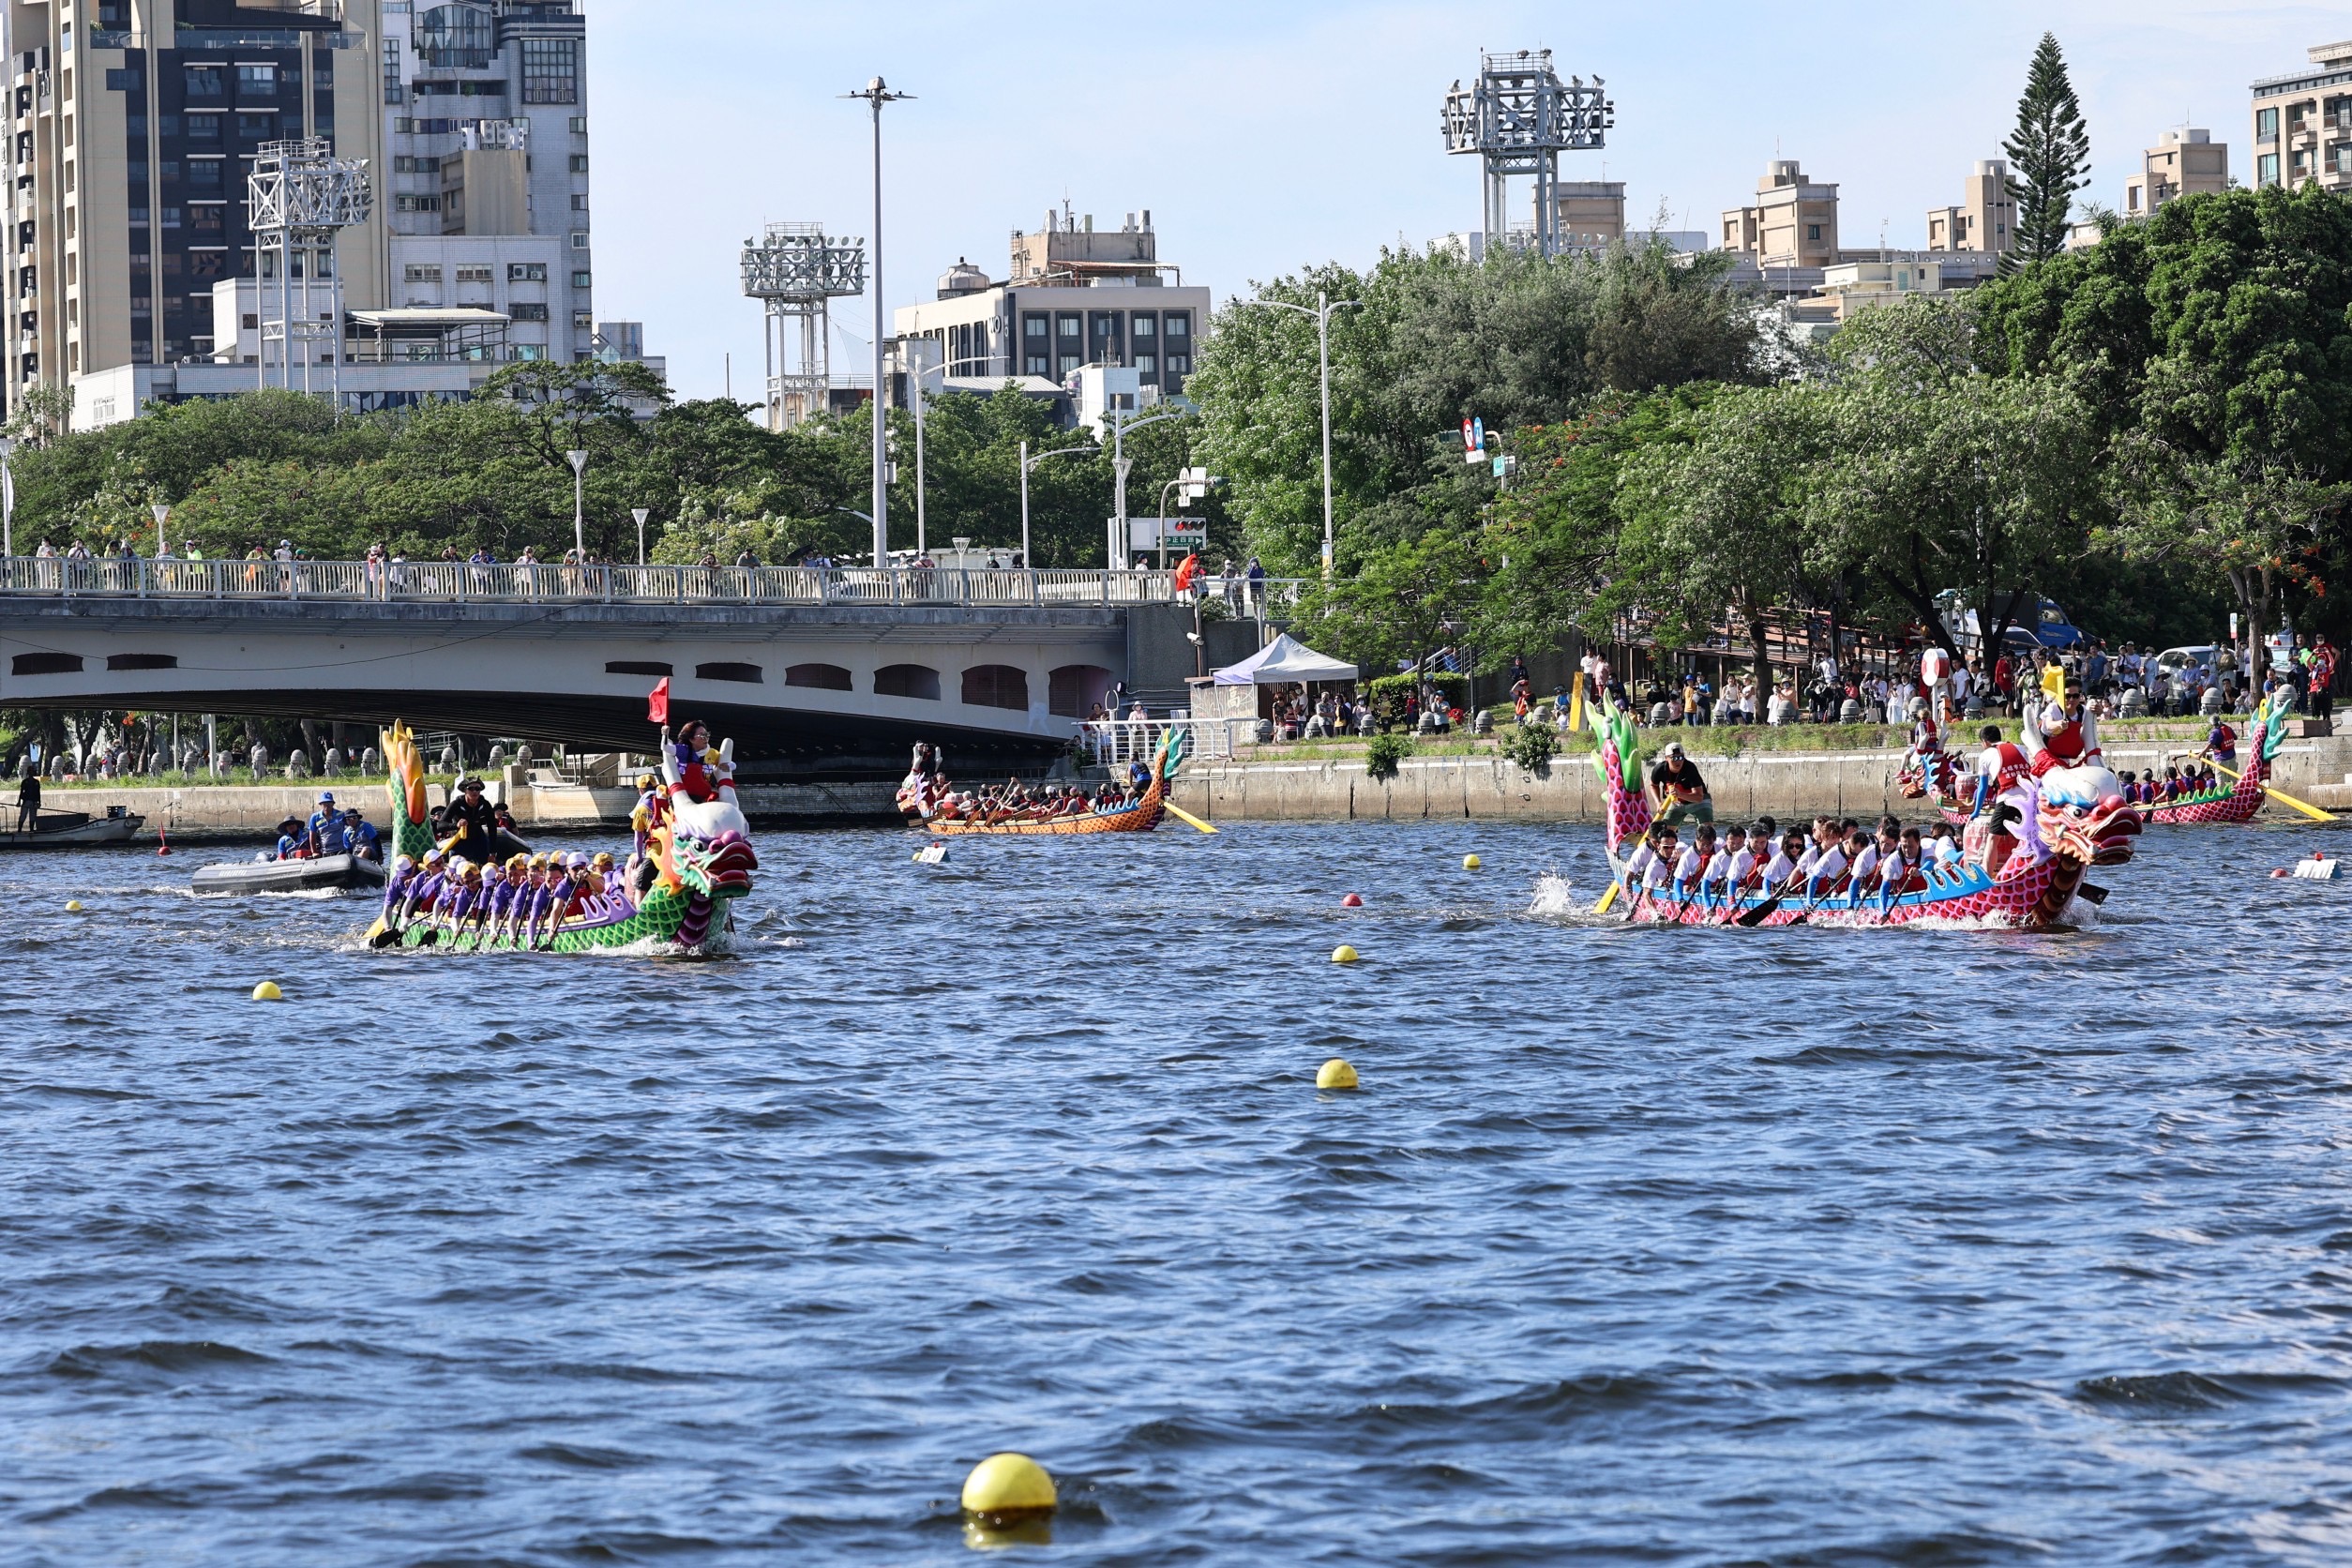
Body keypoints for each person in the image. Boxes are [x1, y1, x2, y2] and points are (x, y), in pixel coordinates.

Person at [1648, 741, 1711, 824]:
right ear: (1666, 758)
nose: (1678, 761)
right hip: (1677, 802)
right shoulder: (1659, 769)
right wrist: (1658, 802)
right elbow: (1653, 785)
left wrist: (1680, 794)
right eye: (1674, 758)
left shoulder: (1690, 768)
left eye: (1681, 757)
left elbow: (1699, 797)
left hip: (1699, 801)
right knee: (1666, 832)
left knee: (1706, 831)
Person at [443, 776, 503, 864]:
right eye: (471, 789)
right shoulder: (456, 804)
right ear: (465, 791)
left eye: (478, 789)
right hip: (459, 842)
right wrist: (456, 825)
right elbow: (440, 824)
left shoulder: (485, 804)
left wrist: (492, 852)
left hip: (478, 840)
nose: (475, 791)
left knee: (484, 866)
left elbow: (492, 828)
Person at [14, 766, 38, 834]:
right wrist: (19, 801)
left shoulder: (36, 782)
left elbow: (38, 793)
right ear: (28, 772)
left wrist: (39, 802)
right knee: (23, 815)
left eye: (32, 771)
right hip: (26, 801)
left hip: (34, 801)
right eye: (30, 771)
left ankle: (31, 830)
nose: (31, 773)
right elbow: (21, 792)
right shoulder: (25, 782)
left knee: (33, 816)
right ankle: (19, 830)